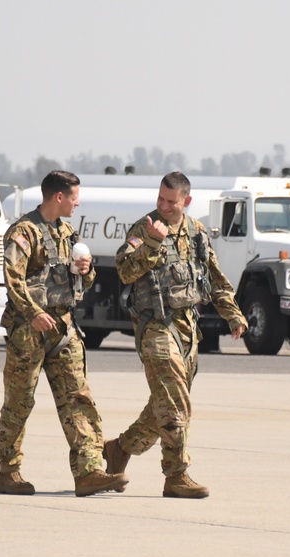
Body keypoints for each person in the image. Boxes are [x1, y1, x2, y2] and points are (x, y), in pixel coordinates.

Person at [107, 171, 247, 499]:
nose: (164, 206)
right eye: (160, 199)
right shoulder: (144, 228)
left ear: (187, 201)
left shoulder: (197, 232)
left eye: (171, 201)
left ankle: (119, 448)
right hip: (155, 326)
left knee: (165, 406)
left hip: (187, 328)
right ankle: (176, 475)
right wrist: (153, 242)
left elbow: (213, 276)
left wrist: (232, 313)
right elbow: (125, 271)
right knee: (174, 401)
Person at [0, 170, 127, 497]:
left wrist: (87, 270)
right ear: (58, 197)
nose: (77, 202)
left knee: (78, 398)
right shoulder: (24, 232)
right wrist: (33, 312)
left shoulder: (67, 232)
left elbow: (82, 281)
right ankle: (9, 471)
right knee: (19, 401)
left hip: (64, 329)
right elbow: (13, 279)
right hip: (28, 331)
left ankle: (89, 472)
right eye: (74, 197)